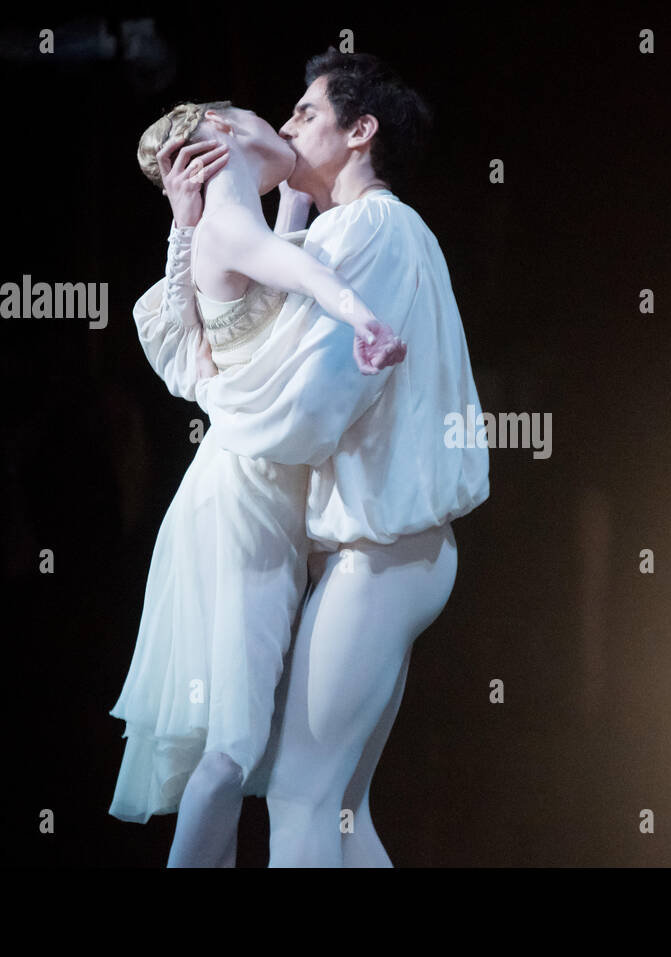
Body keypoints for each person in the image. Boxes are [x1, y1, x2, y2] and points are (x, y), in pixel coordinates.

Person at [144, 49, 489, 866]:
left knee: (302, 799)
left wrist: (225, 416)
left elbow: (304, 408)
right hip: (393, 551)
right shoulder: (375, 228)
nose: (289, 124)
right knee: (337, 808)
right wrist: (191, 225)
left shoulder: (368, 226)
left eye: (306, 112)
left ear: (359, 131)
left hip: (381, 552)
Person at [108, 99, 404, 868]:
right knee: (235, 744)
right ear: (227, 131)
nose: (284, 124)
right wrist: (362, 316)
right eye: (264, 113)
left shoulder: (231, 225)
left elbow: (283, 239)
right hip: (243, 498)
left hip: (251, 489)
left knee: (245, 745)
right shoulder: (229, 228)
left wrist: (279, 196)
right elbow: (298, 268)